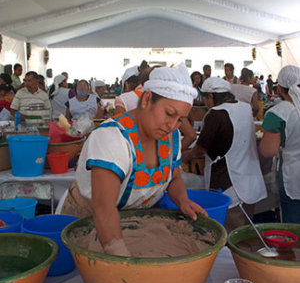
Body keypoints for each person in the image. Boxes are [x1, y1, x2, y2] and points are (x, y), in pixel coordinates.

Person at [61, 64, 207, 256]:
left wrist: (182, 200)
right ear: (147, 99)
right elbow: (103, 206)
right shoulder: (112, 137)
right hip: (91, 221)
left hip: (134, 222)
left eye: (181, 119)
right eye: (169, 114)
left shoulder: (171, 138)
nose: (173, 125)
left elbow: (174, 177)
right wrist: (120, 255)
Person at [182, 77, 267, 233]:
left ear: (211, 97)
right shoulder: (244, 107)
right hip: (251, 180)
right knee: (244, 233)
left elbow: (201, 149)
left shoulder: (216, 114)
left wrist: (183, 156)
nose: (205, 102)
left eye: (205, 98)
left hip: (229, 183)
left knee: (227, 233)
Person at [260, 65, 300, 223]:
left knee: (294, 224)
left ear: (280, 88)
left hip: (293, 173)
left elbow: (268, 151)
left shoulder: (279, 113)